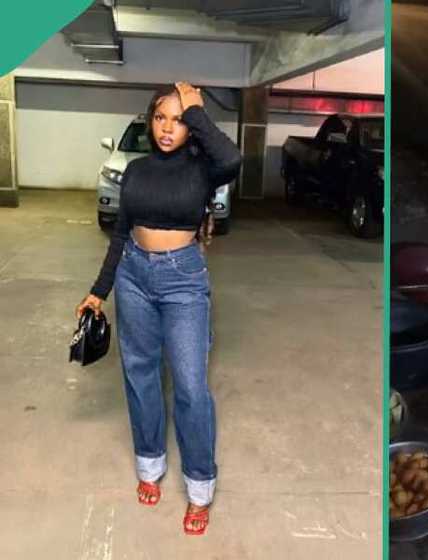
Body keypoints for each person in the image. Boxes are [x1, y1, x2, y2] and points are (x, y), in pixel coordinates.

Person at [75, 82, 242, 536]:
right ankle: (150, 463)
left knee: (189, 386)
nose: (169, 128)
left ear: (191, 126)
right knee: (140, 374)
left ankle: (200, 487)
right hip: (134, 277)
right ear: (150, 123)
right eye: (160, 118)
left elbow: (233, 160)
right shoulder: (136, 171)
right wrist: (99, 289)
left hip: (183, 280)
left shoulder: (203, 168)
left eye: (179, 119)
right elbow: (121, 233)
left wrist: (197, 110)